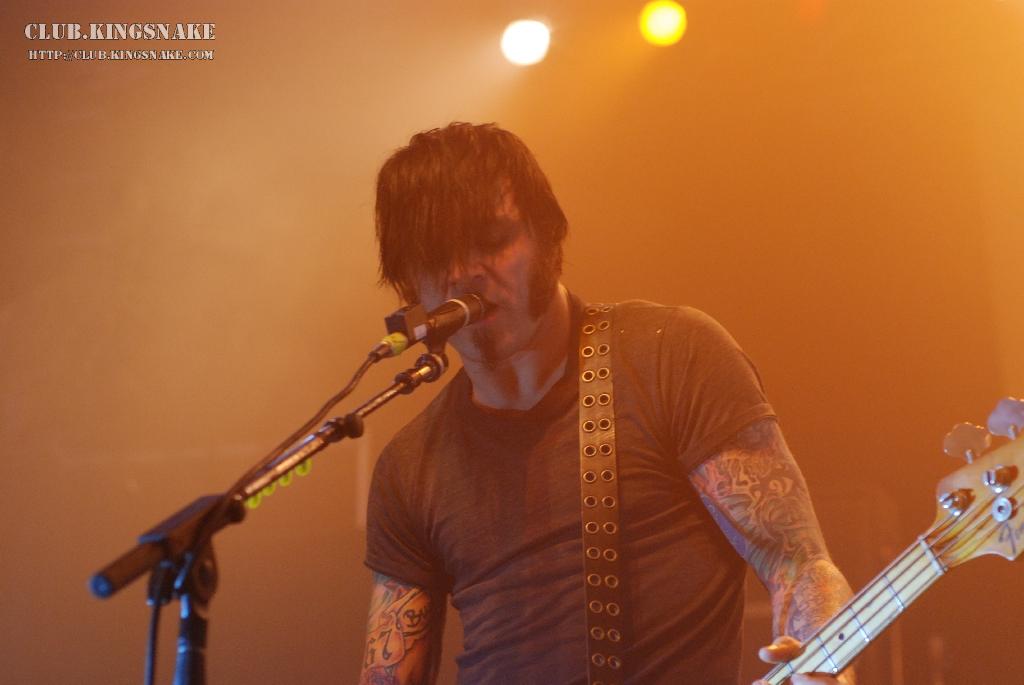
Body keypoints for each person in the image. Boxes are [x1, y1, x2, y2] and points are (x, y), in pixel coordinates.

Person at [358, 122, 854, 685]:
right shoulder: (409, 465)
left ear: (548, 237)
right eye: (434, 258)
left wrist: (822, 661)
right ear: (407, 288)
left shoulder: (670, 356)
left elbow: (798, 562)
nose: (462, 276)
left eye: (492, 242)